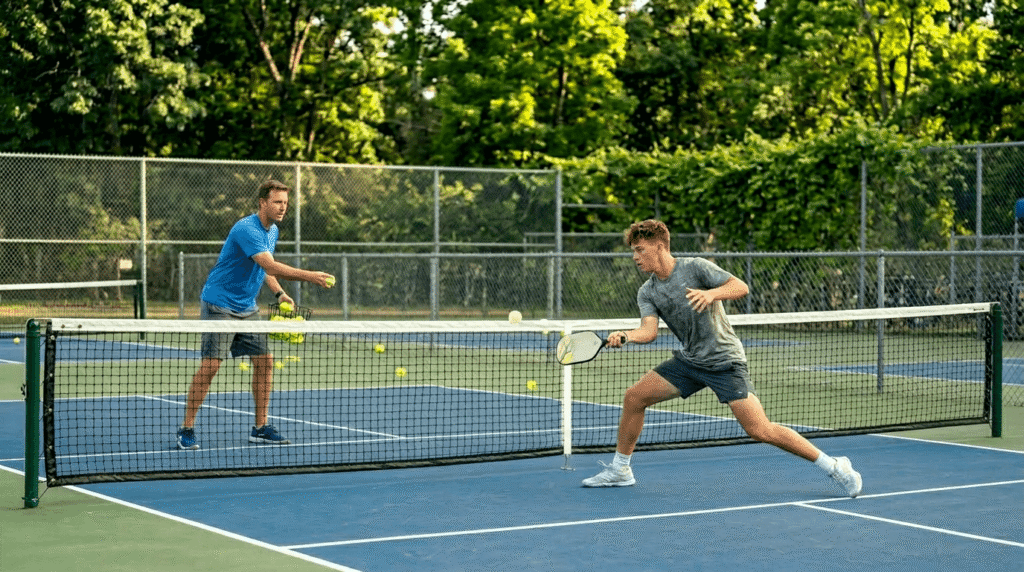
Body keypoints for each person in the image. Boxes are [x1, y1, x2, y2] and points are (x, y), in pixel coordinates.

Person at [581, 219, 863, 497]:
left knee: (759, 429)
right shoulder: (648, 291)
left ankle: (835, 466)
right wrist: (627, 336)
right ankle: (620, 470)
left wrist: (711, 294)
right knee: (634, 397)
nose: (635, 257)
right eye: (633, 251)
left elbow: (740, 286)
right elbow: (649, 331)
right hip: (690, 362)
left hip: (724, 361)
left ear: (660, 246)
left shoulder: (695, 267)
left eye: (640, 250)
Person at [176, 180, 333, 450]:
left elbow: (264, 270)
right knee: (212, 366)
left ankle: (260, 427)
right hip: (219, 304)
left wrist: (279, 293)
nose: (283, 208)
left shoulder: (273, 231)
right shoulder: (246, 228)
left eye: (285, 203)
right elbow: (269, 263)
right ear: (263, 203)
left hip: (247, 307)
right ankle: (186, 428)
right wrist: (311, 276)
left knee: (265, 362)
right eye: (277, 202)